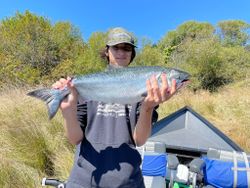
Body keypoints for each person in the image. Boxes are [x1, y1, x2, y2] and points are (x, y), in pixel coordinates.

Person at [52, 27, 176, 188]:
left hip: (128, 182)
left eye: (127, 48)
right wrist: (68, 113)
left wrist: (147, 108)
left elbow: (139, 140)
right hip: (84, 181)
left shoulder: (147, 90)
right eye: (116, 47)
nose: (121, 52)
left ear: (132, 53)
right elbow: (75, 139)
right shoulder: (89, 86)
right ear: (107, 51)